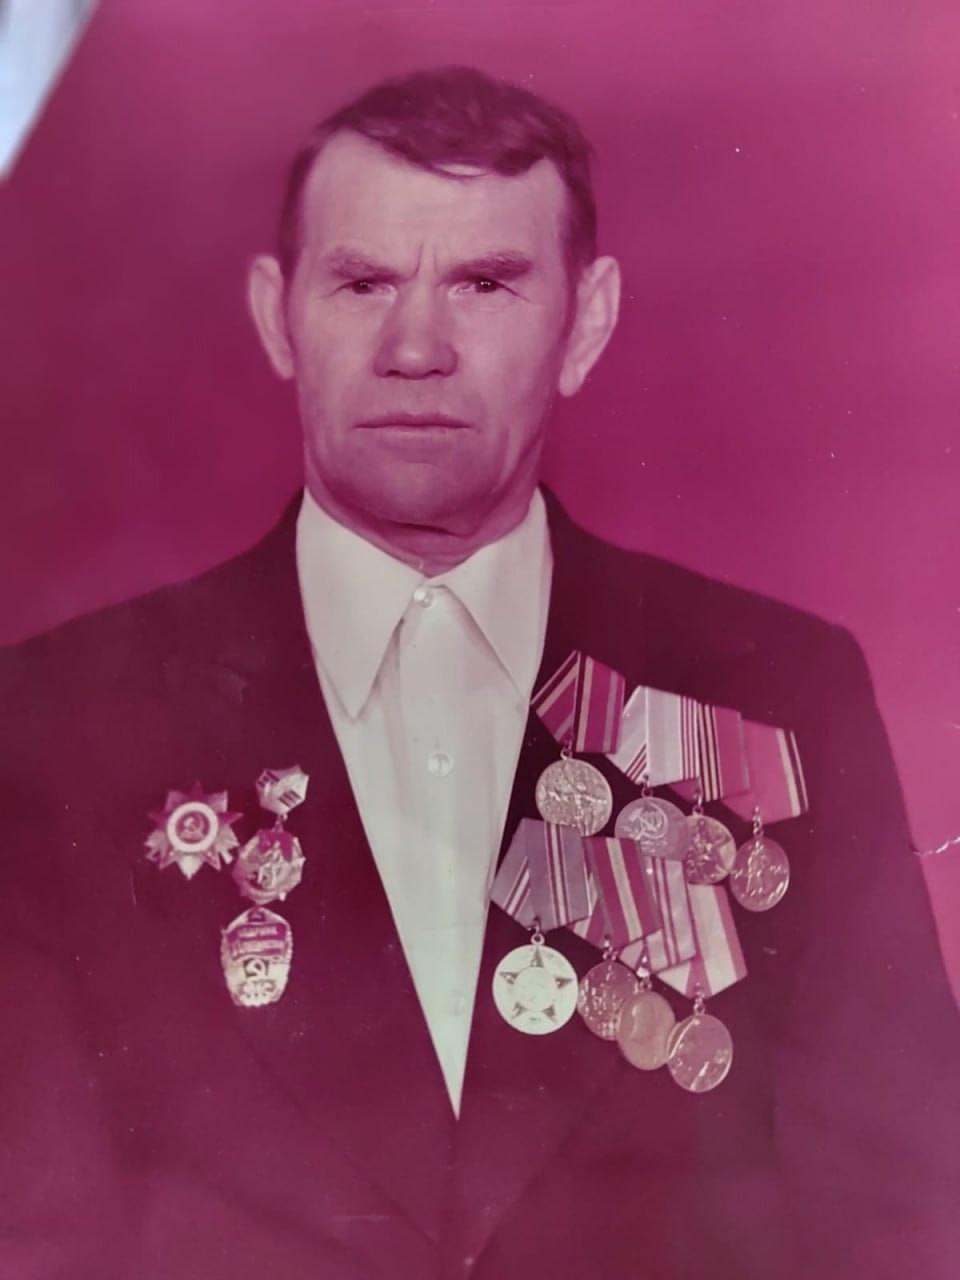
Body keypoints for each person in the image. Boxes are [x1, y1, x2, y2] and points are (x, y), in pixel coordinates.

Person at [2, 66, 958, 1280]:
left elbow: (903, 1216)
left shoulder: (778, 690)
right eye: (362, 282)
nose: (416, 347)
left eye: (485, 283)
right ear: (277, 316)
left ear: (586, 323)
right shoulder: (57, 719)